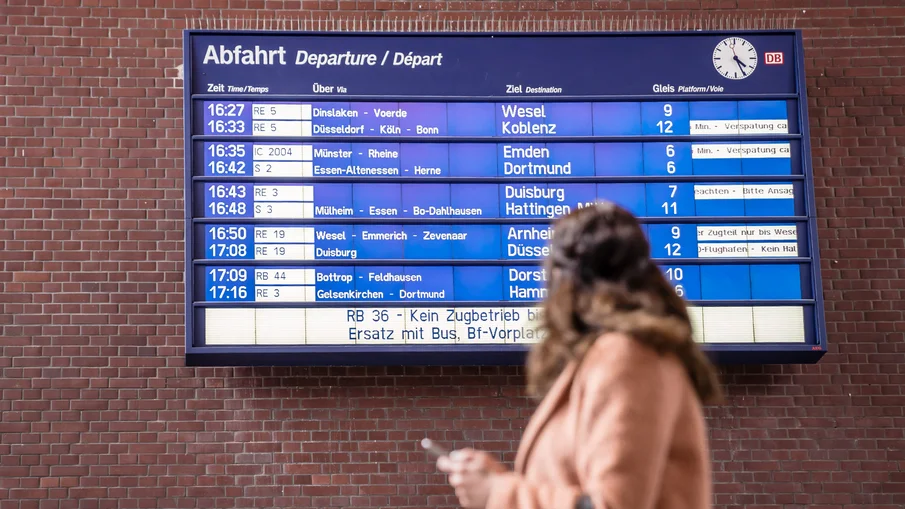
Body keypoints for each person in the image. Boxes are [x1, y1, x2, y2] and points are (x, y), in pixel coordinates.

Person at [437, 201, 724, 509]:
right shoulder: (618, 355)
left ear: (567, 278)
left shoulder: (626, 357)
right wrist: (494, 481)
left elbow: (612, 504)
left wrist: (499, 493)